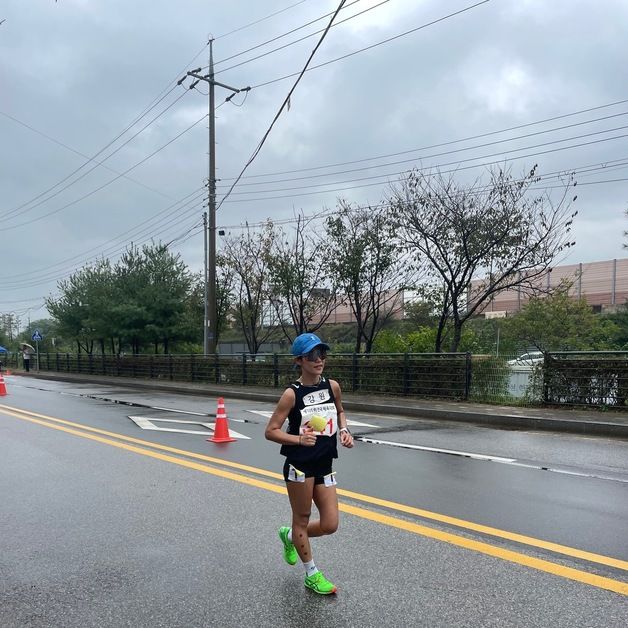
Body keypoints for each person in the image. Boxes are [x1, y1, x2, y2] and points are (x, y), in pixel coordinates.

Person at [265, 332, 354, 595]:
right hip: (299, 465)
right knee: (301, 520)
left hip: (324, 464)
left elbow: (339, 411)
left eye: (322, 354)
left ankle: (290, 536)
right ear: (300, 360)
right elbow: (271, 431)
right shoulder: (291, 394)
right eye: (313, 355)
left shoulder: (332, 386)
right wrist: (297, 439)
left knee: (330, 524)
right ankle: (312, 574)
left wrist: (345, 430)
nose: (320, 360)